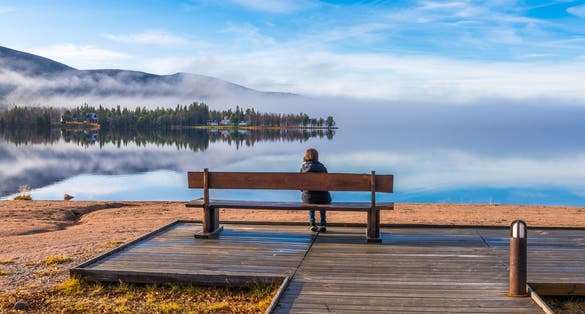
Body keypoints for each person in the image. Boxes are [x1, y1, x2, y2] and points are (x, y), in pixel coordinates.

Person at [300, 148, 331, 232]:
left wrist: (303, 191)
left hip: (308, 198)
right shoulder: (322, 168)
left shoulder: (303, 168)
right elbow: (328, 183)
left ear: (306, 156)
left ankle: (312, 223)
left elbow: (300, 185)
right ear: (317, 157)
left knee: (310, 198)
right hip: (322, 197)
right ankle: (323, 224)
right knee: (323, 198)